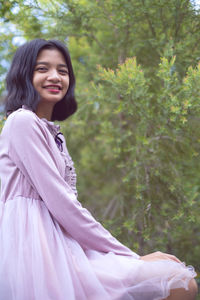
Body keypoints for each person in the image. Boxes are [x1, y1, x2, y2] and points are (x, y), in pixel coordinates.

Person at [0, 38, 197, 300]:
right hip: (38, 254)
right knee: (178, 281)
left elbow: (66, 206)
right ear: (24, 74)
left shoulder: (54, 135)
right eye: (42, 69)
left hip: (67, 245)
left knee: (180, 283)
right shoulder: (22, 121)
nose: (54, 77)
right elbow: (62, 203)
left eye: (63, 71)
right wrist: (131, 256)